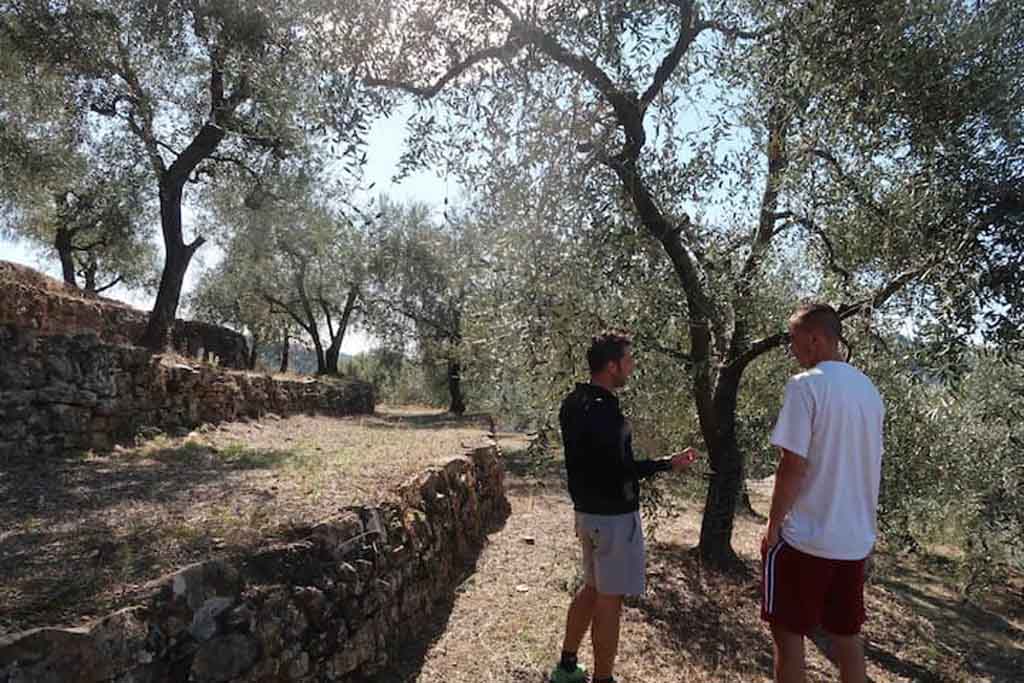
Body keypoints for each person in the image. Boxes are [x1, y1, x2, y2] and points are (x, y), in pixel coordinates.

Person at [550, 331, 700, 683]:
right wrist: (667, 463)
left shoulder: (574, 402)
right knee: (609, 602)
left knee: (591, 588)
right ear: (612, 365)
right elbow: (622, 468)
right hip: (614, 520)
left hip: (586, 515)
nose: (632, 367)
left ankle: (567, 665)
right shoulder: (607, 413)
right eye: (628, 361)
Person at [761, 303, 884, 683]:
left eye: (794, 341)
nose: (792, 350)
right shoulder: (869, 391)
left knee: (786, 630)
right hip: (853, 541)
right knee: (846, 634)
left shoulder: (806, 385)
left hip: (806, 538)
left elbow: (792, 466)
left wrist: (773, 525)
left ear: (814, 339)